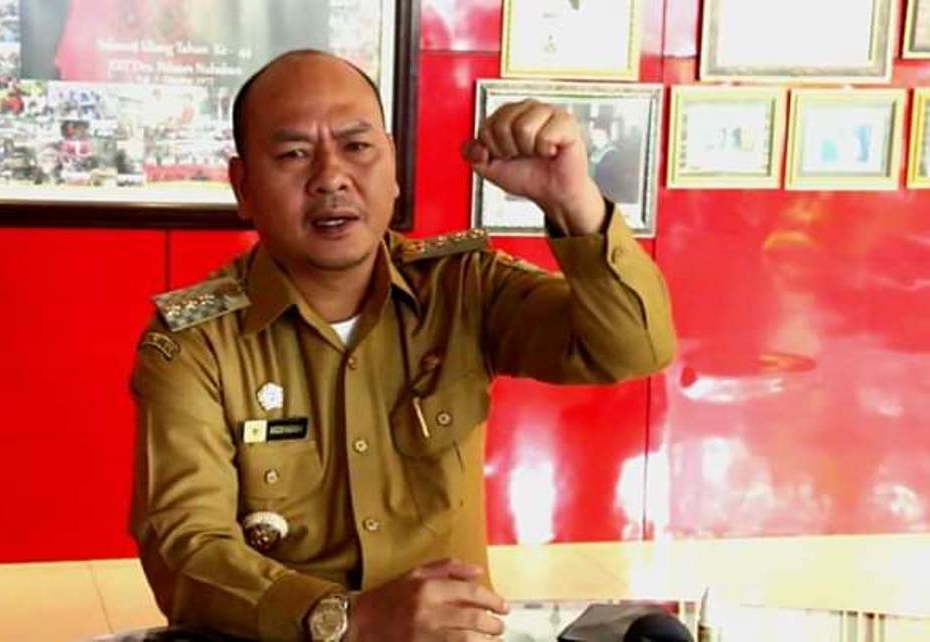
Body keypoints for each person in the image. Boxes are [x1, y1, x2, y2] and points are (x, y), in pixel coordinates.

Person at [130, 50, 676, 642]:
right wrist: (347, 618)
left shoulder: (463, 288)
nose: (331, 177)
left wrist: (572, 201)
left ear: (392, 166)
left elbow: (634, 348)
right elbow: (185, 548)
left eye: (357, 146)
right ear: (243, 185)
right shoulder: (196, 342)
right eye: (294, 154)